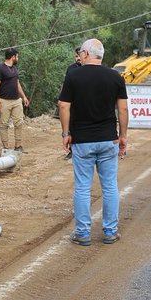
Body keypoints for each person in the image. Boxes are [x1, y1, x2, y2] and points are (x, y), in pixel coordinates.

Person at [58, 39, 129, 245]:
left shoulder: (74, 76)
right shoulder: (115, 77)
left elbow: (64, 106)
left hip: (82, 141)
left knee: (82, 187)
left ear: (87, 54)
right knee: (109, 186)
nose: (79, 56)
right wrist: (123, 136)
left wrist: (65, 133)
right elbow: (122, 109)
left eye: (80, 53)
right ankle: (110, 231)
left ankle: (83, 233)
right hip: (108, 139)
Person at [0, 48, 30, 155]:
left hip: (16, 100)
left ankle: (18, 146)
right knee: (4, 124)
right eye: (17, 56)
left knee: (19, 123)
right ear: (13, 57)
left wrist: (24, 97)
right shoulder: (0, 68)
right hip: (4, 101)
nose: (18, 58)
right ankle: (6, 148)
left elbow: (17, 83)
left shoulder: (14, 69)